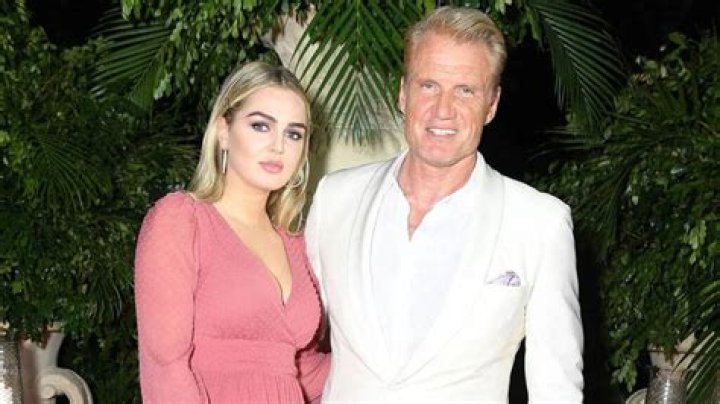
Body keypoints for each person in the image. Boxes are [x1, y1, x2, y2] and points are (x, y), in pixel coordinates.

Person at [305, 6, 583, 402]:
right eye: (429, 85)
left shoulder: (539, 224)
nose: (443, 110)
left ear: (492, 104)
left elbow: (556, 389)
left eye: (465, 90)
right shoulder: (335, 199)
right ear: (403, 93)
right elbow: (296, 344)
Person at [135, 61, 329, 403]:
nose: (278, 146)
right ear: (223, 131)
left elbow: (304, 371)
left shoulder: (297, 245)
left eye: (293, 134)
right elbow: (165, 368)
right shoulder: (182, 221)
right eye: (260, 126)